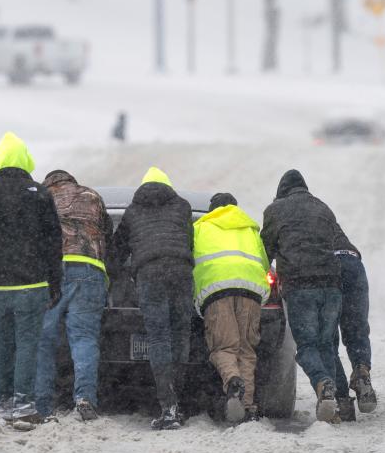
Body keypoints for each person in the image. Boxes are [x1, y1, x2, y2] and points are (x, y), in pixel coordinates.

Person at [0, 132, 62, 425]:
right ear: (25, 160)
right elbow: (53, 242)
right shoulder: (40, 194)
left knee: (2, 346)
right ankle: (23, 404)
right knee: (27, 346)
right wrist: (54, 282)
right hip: (32, 286)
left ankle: (1, 403)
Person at [111, 167, 194, 430]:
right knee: (181, 334)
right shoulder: (182, 207)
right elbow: (190, 242)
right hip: (181, 272)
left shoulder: (133, 210)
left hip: (150, 274)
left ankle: (167, 406)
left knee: (159, 337)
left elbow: (118, 250)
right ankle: (178, 401)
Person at [261, 169, 341, 423]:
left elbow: (265, 252)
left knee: (306, 346)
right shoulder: (323, 208)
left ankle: (323, 383)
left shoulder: (275, 211)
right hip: (332, 285)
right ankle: (333, 403)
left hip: (300, 285)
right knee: (326, 344)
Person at [35, 170, 113, 421]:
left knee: (44, 340)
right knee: (84, 338)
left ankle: (42, 404)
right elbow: (107, 235)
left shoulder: (42, 198)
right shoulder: (92, 195)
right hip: (89, 270)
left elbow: (32, 237)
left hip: (53, 270)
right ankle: (85, 397)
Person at [192, 192, 271, 424]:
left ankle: (233, 381)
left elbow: (189, 262)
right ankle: (247, 407)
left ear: (212, 210)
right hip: (251, 292)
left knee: (224, 347)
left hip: (217, 292)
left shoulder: (201, 228)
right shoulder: (249, 229)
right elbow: (265, 264)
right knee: (247, 350)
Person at [331, 223, 377, 422]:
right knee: (356, 328)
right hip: (353, 263)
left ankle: (342, 399)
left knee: (327, 337)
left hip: (329, 269)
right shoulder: (322, 213)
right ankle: (361, 371)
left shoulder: (293, 221)